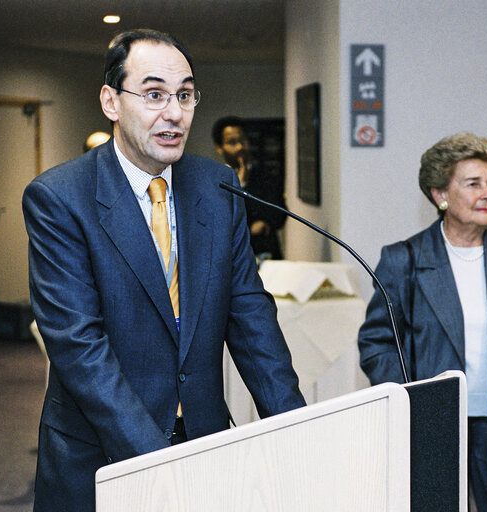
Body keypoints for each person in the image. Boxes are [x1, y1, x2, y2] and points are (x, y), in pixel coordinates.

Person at [22, 29, 305, 512]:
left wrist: (301, 431)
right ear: (111, 101)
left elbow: (250, 314)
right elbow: (79, 347)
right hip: (101, 453)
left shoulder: (217, 186)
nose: (174, 113)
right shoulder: (59, 198)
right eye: (154, 94)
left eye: (185, 95)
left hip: (203, 439)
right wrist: (161, 464)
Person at [357, 132, 487, 512]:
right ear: (440, 195)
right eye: (473, 184)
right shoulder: (405, 260)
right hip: (432, 428)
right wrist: (410, 401)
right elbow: (377, 343)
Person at [212, 116, 287, 260]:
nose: (240, 147)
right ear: (219, 148)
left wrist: (265, 223)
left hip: (267, 256)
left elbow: (280, 215)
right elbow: (220, 223)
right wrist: (238, 187)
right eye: (232, 143)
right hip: (232, 260)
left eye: (243, 141)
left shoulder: (267, 177)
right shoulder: (214, 182)